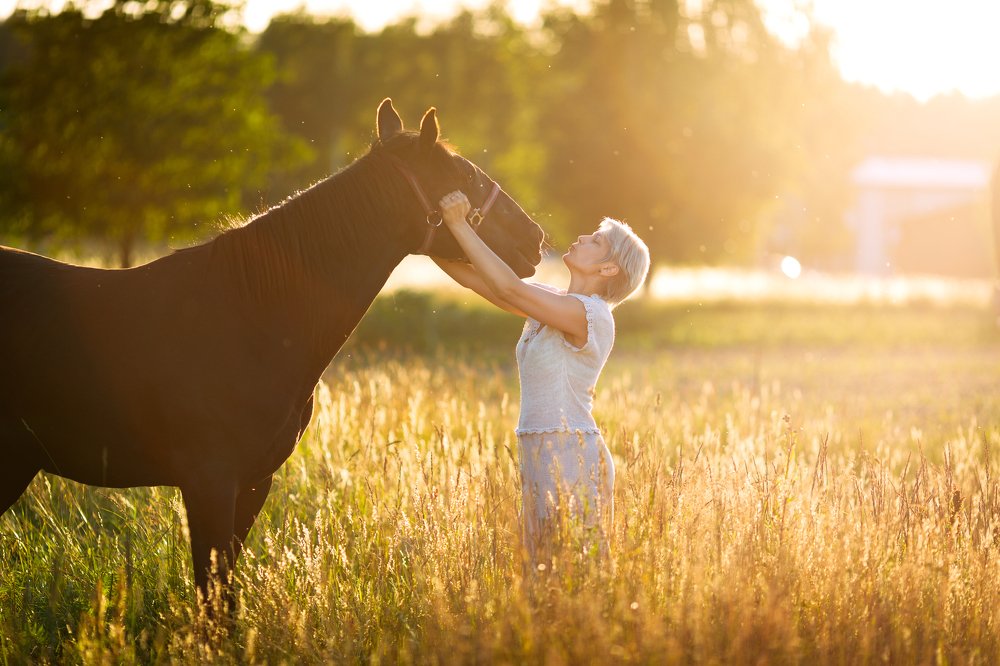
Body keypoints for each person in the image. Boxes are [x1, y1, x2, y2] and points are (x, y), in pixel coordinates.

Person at [434, 190, 650, 562]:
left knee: (571, 574)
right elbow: (475, 280)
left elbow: (508, 286)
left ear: (609, 269)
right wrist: (424, 234)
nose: (582, 238)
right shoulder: (550, 305)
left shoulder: (593, 316)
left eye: (596, 241)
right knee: (541, 576)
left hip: (573, 457)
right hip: (540, 454)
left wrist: (458, 223)